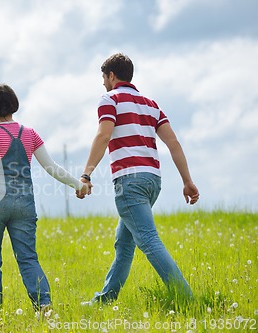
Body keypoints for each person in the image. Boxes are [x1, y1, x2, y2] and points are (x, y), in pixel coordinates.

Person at [78, 53, 199, 304]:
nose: (102, 83)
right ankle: (105, 299)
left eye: (103, 77)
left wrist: (86, 174)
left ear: (112, 76)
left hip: (129, 182)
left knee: (148, 240)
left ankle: (186, 298)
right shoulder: (150, 104)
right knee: (123, 244)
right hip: (152, 181)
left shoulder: (109, 100)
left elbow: (103, 136)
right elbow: (173, 142)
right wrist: (187, 181)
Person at [0, 84, 88, 315]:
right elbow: (51, 167)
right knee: (27, 258)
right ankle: (43, 304)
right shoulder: (30, 134)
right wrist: (79, 184)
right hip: (24, 204)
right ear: (14, 104)